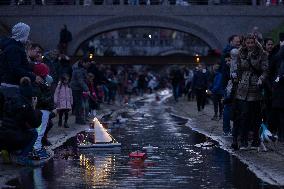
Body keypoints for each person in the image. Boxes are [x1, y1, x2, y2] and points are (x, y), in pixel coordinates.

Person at [234, 34, 268, 150]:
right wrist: (236, 81)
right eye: (248, 43)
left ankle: (255, 141)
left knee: (256, 116)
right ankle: (243, 141)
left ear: (255, 43)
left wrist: (261, 79)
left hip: (255, 87)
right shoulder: (240, 53)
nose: (249, 45)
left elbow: (265, 70)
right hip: (243, 88)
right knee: (244, 115)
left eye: (252, 43)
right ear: (245, 43)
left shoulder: (262, 54)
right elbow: (238, 69)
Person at [0, 77, 42, 162]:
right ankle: (22, 157)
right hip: (15, 137)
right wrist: (34, 108)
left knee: (12, 130)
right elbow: (36, 123)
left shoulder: (9, 100)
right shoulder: (26, 105)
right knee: (34, 133)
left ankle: (7, 151)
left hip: (2, 135)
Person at [70, 60, 90, 125]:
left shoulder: (79, 70)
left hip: (77, 88)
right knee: (79, 105)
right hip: (76, 89)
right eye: (87, 63)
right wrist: (87, 89)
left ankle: (78, 119)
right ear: (83, 63)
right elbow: (80, 81)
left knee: (78, 105)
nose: (88, 65)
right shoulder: (79, 71)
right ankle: (79, 119)